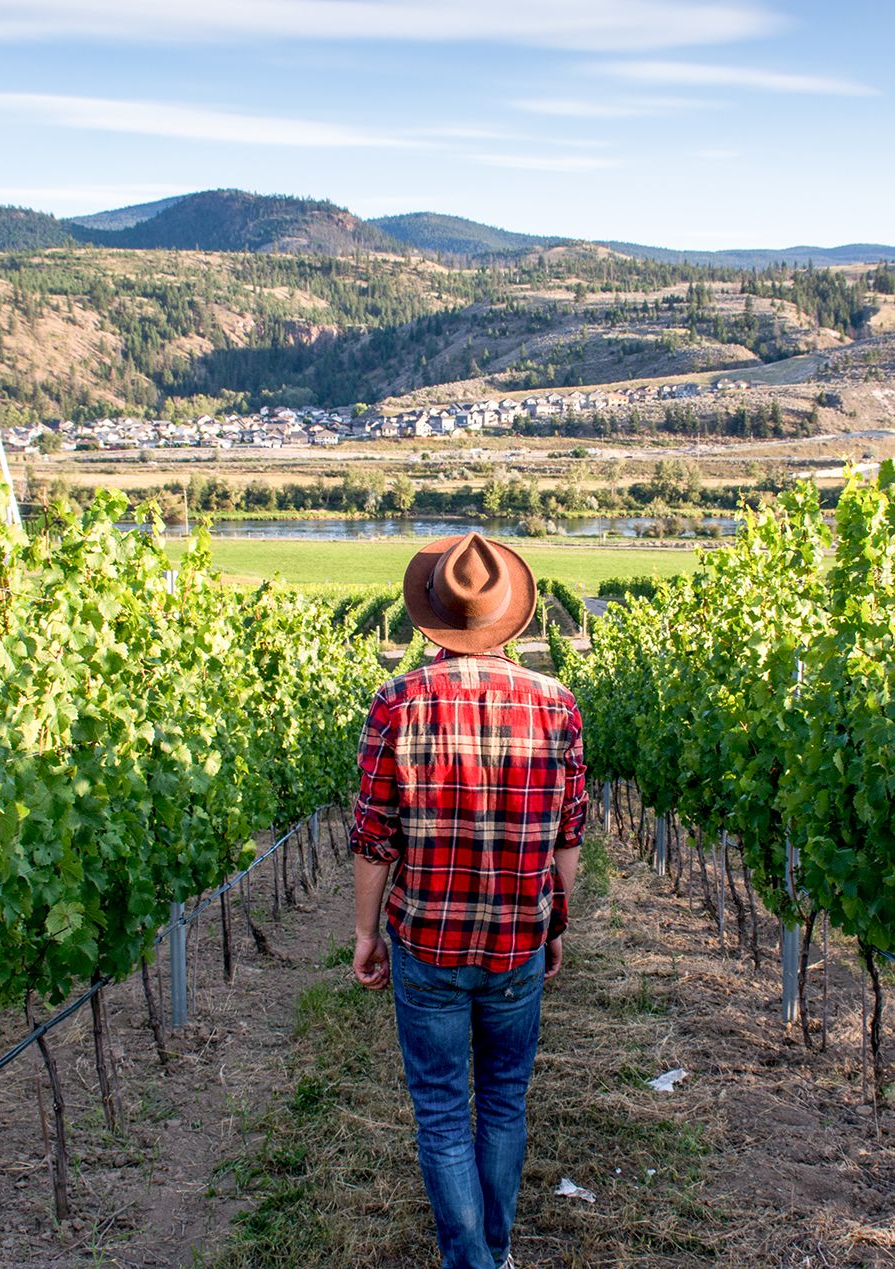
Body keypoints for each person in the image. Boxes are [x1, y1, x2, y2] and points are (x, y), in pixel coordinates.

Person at [349, 531, 587, 1269]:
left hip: (427, 943)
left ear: (432, 617)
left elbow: (372, 838)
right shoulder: (556, 705)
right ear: (509, 617)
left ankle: (473, 1262)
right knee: (504, 1101)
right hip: (517, 939)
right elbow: (568, 835)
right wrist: (555, 924)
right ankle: (496, 1252)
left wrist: (366, 933)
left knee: (444, 1112)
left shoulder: (396, 702)